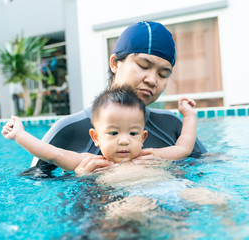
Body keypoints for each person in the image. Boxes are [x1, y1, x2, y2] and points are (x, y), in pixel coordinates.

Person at [25, 21, 207, 176]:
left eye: (163, 74)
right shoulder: (67, 130)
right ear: (114, 64)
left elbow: (210, 169)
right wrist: (82, 180)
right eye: (143, 66)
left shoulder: (173, 126)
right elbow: (32, 186)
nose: (152, 80)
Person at [2, 86, 198, 174]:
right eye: (113, 133)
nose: (124, 141)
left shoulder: (151, 155)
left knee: (210, 198)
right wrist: (20, 135)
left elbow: (184, 148)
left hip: (168, 189)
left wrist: (189, 116)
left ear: (143, 137)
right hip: (126, 203)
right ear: (95, 137)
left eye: (133, 133)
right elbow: (53, 154)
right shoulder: (91, 162)